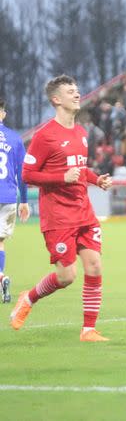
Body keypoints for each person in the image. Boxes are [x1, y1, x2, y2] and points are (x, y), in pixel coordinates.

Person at [12, 75, 113, 342]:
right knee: (66, 276)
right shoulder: (45, 135)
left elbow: (79, 169)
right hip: (58, 217)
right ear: (56, 99)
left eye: (77, 90)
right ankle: (29, 297)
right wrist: (60, 178)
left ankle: (88, 330)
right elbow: (28, 174)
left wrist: (96, 179)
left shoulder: (81, 133)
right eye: (70, 91)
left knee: (94, 266)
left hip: (84, 212)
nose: (77, 94)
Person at [0, 98, 30, 303]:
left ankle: (1, 276)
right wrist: (25, 201)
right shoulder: (15, 138)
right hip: (9, 197)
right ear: (3, 113)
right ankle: (1, 276)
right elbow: (23, 173)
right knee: (0, 241)